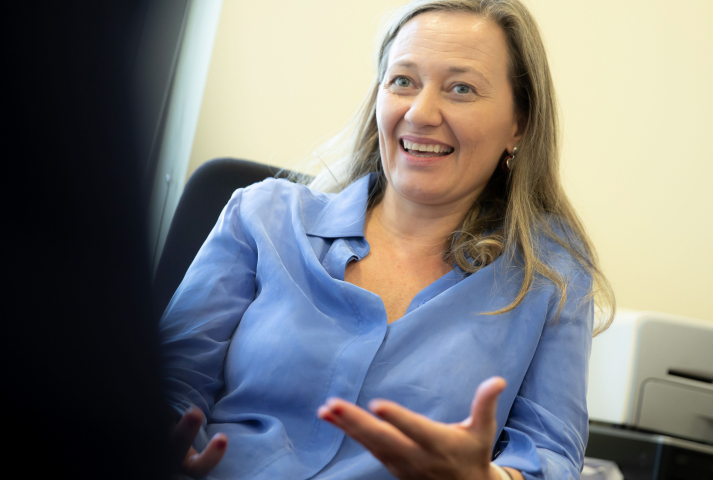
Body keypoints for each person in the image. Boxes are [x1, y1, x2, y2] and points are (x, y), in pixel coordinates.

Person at [160, 0, 615, 479]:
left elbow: (550, 455)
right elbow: (168, 381)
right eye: (403, 81)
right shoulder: (262, 215)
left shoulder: (549, 274)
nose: (420, 112)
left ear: (518, 123)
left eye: (461, 88)